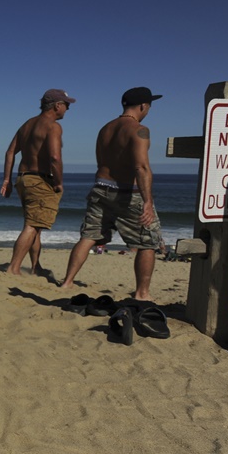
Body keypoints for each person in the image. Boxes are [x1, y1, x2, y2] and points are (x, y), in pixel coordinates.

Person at [60, 87, 164, 300]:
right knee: (147, 242)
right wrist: (147, 201)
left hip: (100, 188)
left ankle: (67, 282)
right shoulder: (139, 130)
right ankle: (142, 293)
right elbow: (141, 167)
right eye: (149, 106)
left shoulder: (105, 128)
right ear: (143, 106)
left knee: (89, 236)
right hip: (128, 192)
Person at [0, 88, 74, 275]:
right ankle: (14, 267)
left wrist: (7, 180)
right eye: (66, 105)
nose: (67, 109)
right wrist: (58, 183)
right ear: (57, 105)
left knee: (36, 226)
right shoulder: (53, 126)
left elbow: (10, 152)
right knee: (32, 226)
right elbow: (55, 157)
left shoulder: (27, 124)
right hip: (40, 180)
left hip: (23, 179)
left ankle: (35, 266)